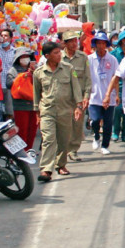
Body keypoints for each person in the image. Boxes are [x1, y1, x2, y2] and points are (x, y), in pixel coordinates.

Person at [34, 41, 82, 181]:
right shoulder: (39, 73)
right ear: (47, 56)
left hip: (65, 110)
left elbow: (76, 89)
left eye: (59, 52)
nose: (59, 55)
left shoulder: (68, 68)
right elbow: (37, 94)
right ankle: (46, 169)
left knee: (63, 140)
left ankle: (60, 165)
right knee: (48, 139)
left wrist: (78, 106)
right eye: (55, 53)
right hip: (47, 111)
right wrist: (37, 113)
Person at [60, 30, 92, 162]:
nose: (74, 43)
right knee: (63, 124)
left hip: (79, 97)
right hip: (63, 97)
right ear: (65, 44)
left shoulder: (83, 57)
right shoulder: (58, 57)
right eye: (71, 41)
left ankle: (73, 150)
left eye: (75, 40)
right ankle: (62, 150)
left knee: (77, 125)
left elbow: (87, 78)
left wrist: (86, 96)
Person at [87, 31, 119, 155]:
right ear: (95, 44)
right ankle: (96, 136)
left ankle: (105, 145)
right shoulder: (89, 59)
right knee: (95, 120)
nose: (100, 46)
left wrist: (116, 94)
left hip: (109, 96)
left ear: (106, 44)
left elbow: (116, 77)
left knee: (108, 123)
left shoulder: (112, 59)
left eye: (103, 43)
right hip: (94, 95)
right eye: (98, 43)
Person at [7, 47, 39, 152]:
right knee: (22, 131)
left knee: (32, 131)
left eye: (27, 57)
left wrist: (34, 73)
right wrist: (23, 76)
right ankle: (21, 152)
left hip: (33, 105)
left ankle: (29, 150)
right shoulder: (13, 71)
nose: (25, 59)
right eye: (22, 57)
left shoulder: (36, 70)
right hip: (20, 106)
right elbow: (9, 84)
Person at [0, 29, 17, 117]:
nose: (3, 38)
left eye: (6, 36)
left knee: (9, 110)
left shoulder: (14, 52)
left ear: (11, 38)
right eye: (2, 35)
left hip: (9, 85)